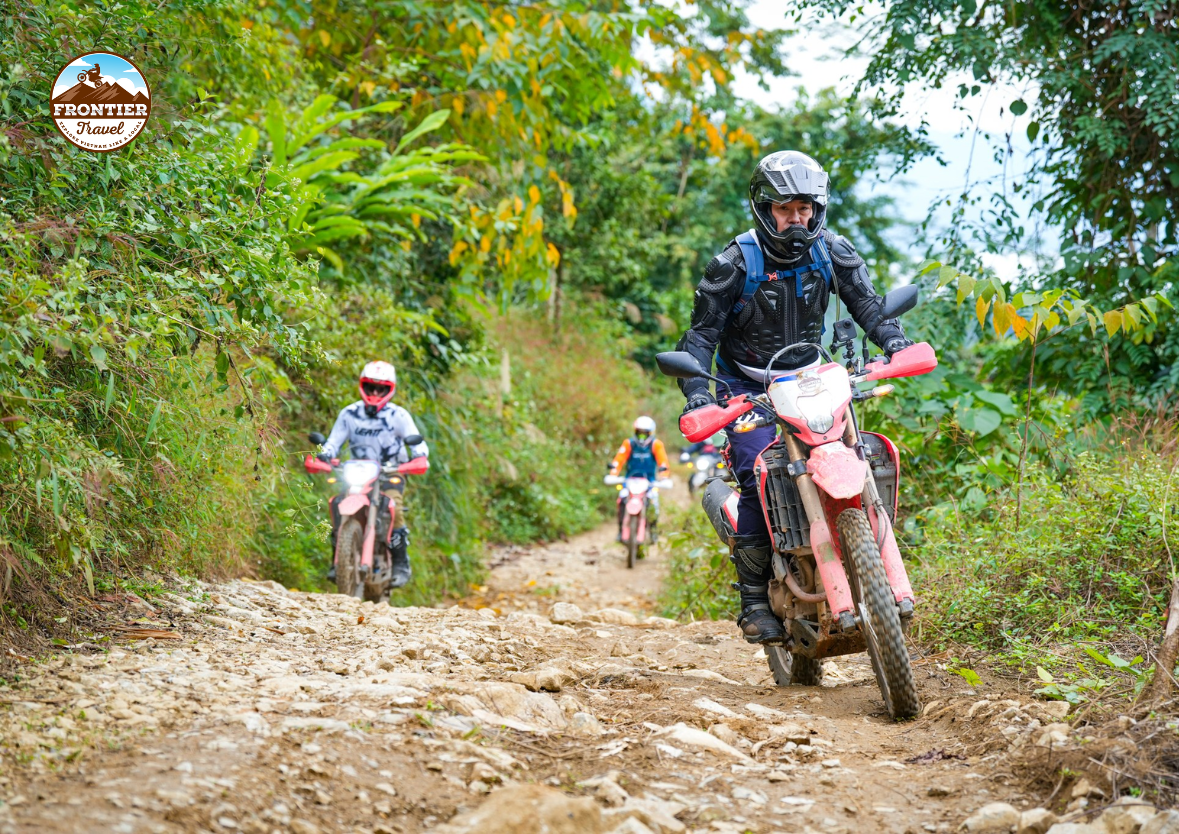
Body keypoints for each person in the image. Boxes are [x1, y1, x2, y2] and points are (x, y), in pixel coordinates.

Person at [674, 150, 913, 646]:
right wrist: (698, 394)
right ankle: (753, 602)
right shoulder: (733, 264)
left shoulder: (833, 250)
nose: (796, 219)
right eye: (785, 209)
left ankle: (867, 556)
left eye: (805, 208)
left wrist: (895, 341)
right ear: (764, 208)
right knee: (757, 471)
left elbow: (869, 306)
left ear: (816, 208)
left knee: (859, 453)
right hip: (747, 387)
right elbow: (699, 338)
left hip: (812, 377)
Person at [317, 361, 428, 588]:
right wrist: (323, 456)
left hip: (390, 472)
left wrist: (418, 458)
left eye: (381, 388)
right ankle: (337, 560)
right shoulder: (349, 413)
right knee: (337, 503)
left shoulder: (399, 415)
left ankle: (401, 563)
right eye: (371, 387)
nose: (375, 393)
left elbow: (419, 447)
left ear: (390, 389)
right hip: (356, 473)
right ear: (362, 385)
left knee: (394, 506)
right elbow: (332, 443)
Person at [608, 416, 670, 542]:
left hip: (650, 482)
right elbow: (619, 460)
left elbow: (663, 462)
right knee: (622, 500)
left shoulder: (656, 445)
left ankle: (653, 531)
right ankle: (620, 530)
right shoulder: (629, 443)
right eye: (639, 433)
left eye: (645, 434)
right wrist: (613, 474)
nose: (642, 437)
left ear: (650, 433)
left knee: (653, 503)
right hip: (629, 481)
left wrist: (664, 477)